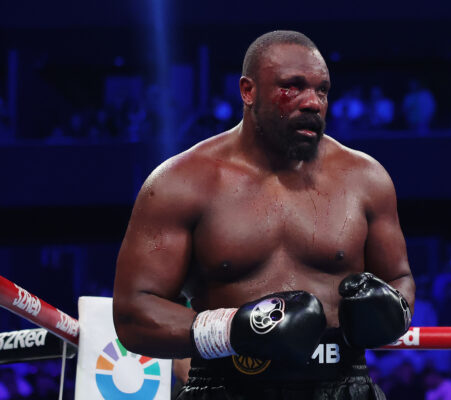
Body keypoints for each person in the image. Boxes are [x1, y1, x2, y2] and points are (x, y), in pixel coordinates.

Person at [113, 30, 415, 400]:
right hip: (226, 387)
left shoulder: (365, 179)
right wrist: (233, 331)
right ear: (248, 91)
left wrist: (390, 309)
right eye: (292, 86)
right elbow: (133, 312)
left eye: (322, 90)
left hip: (341, 385)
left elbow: (399, 278)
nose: (312, 102)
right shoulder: (182, 183)